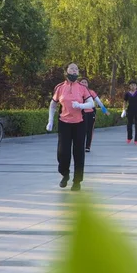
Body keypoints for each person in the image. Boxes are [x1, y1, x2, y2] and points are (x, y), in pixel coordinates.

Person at [46, 63, 94, 191]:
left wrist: (80, 105)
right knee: (63, 153)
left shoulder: (82, 88)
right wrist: (50, 120)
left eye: (76, 69)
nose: (74, 70)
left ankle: (77, 181)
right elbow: (53, 104)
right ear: (66, 71)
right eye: (72, 68)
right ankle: (65, 174)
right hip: (64, 123)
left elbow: (91, 103)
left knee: (78, 153)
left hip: (79, 123)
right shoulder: (60, 87)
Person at [79, 78, 109, 152]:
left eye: (85, 82)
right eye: (82, 82)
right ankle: (80, 146)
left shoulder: (91, 92)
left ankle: (87, 146)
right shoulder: (77, 92)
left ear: (87, 84)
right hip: (80, 113)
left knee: (89, 130)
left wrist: (104, 110)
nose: (83, 83)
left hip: (90, 113)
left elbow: (99, 102)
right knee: (81, 130)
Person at [122, 80, 137, 145]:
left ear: (136, 86)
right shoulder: (127, 94)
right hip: (130, 110)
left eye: (134, 85)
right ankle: (129, 137)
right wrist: (123, 110)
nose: (133, 86)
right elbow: (124, 102)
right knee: (129, 125)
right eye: (131, 85)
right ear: (129, 86)